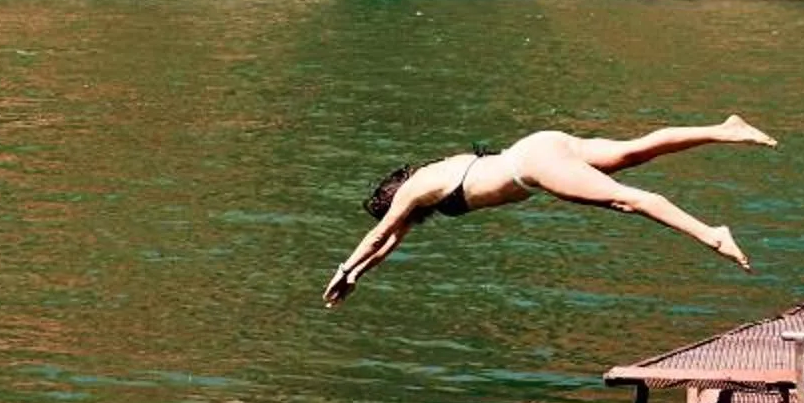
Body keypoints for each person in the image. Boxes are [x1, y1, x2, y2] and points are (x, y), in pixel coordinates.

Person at [324, 117, 776, 305]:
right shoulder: (433, 176)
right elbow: (389, 245)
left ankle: (713, 234)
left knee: (628, 199)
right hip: (541, 143)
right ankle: (724, 129)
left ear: (394, 193)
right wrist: (357, 276)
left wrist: (344, 267)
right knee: (635, 152)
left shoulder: (415, 190)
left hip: (533, 166)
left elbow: (379, 236)